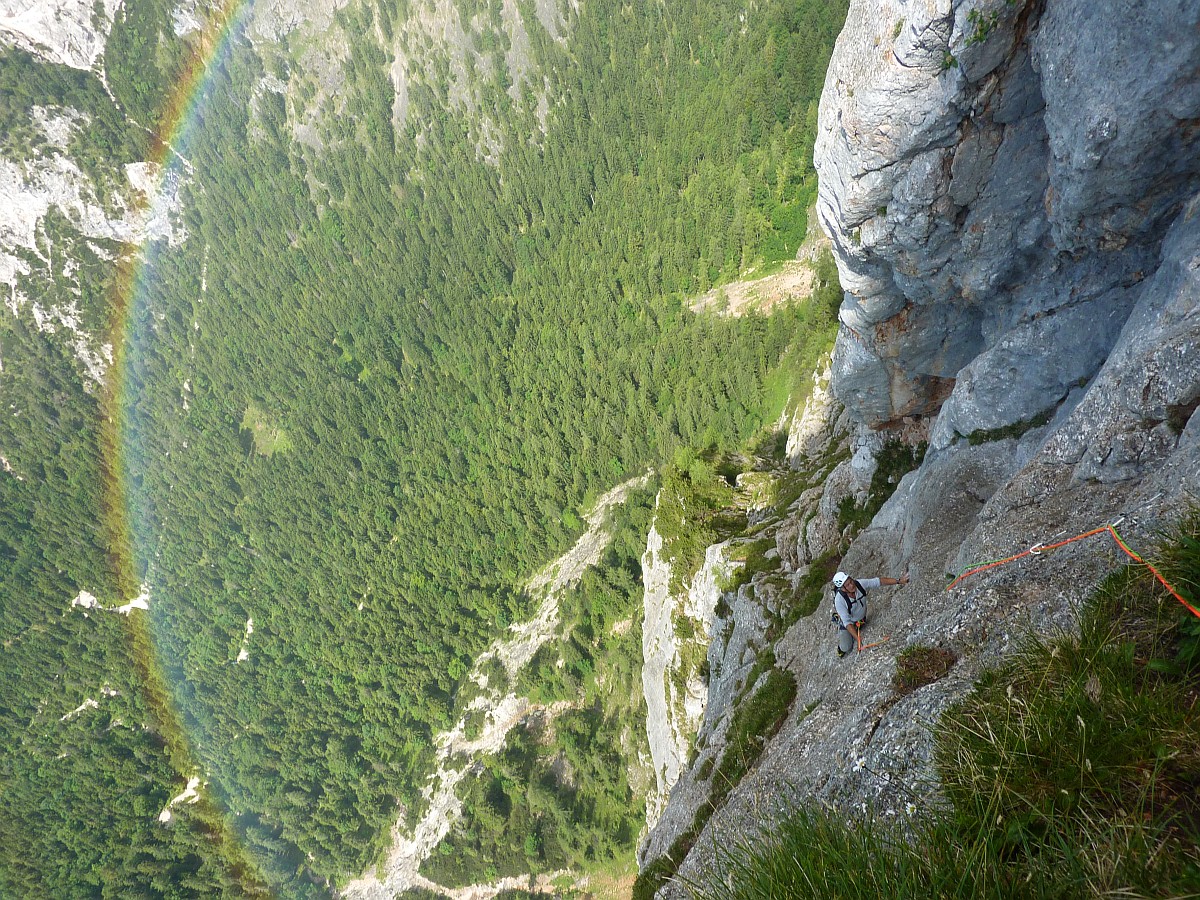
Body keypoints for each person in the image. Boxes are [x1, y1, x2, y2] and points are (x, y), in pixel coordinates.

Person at [833, 570, 908, 657]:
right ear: (843, 589)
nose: (851, 585)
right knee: (846, 647)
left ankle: (843, 618)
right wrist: (858, 639)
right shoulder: (839, 600)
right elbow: (847, 622)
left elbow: (878, 581)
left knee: (860, 625)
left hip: (861, 619)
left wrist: (899, 581)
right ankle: (839, 623)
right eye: (847, 585)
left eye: (851, 581)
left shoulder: (859, 584)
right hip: (850, 622)